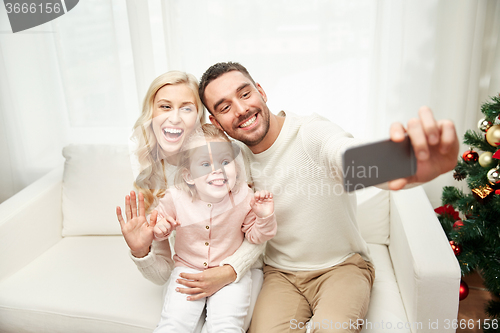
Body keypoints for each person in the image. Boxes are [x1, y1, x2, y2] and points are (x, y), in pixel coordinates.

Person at [185, 61, 458, 333]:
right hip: (280, 275)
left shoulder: (310, 132)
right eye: (225, 107)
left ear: (260, 91)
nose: (241, 109)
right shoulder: (232, 163)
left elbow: (346, 156)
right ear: (216, 122)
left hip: (343, 267)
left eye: (245, 94)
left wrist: (400, 165)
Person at [116, 70, 267, 330]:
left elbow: (255, 227)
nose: (174, 117)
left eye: (186, 108)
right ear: (151, 114)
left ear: (198, 118)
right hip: (191, 268)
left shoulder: (229, 155)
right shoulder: (151, 176)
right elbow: (164, 273)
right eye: (165, 106)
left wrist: (229, 271)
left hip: (239, 267)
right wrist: (141, 251)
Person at [150, 124, 276, 332]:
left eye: (225, 162)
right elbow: (156, 221)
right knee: (173, 323)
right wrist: (160, 229)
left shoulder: (243, 196)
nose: (217, 170)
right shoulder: (176, 197)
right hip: (187, 270)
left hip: (228, 274)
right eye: (205, 164)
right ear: (189, 176)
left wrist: (264, 217)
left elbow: (255, 237)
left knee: (226, 325)